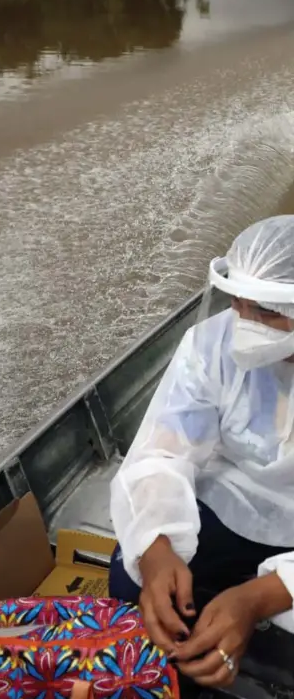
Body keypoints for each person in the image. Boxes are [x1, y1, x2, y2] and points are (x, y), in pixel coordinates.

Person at [109, 215, 294, 690]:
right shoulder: (212, 345)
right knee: (133, 580)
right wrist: (155, 549)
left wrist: (257, 599)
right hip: (235, 503)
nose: (246, 325)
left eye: (268, 313)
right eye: (238, 304)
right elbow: (161, 453)